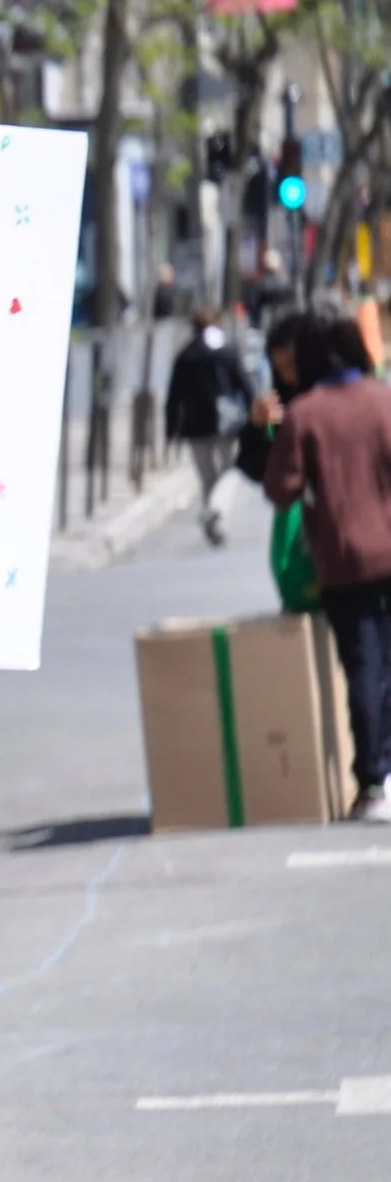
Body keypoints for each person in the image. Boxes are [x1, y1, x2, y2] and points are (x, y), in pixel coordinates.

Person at [263, 314, 391, 822]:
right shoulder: (384, 400)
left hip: (343, 560)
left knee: (363, 665)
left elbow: (281, 489)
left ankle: (372, 783)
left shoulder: (306, 415)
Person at [165, 307, 253, 545]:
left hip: (195, 424)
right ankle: (216, 513)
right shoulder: (228, 352)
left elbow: (174, 396)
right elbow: (245, 385)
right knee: (230, 471)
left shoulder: (185, 356)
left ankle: (213, 518)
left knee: (207, 475)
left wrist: (170, 429)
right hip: (226, 422)